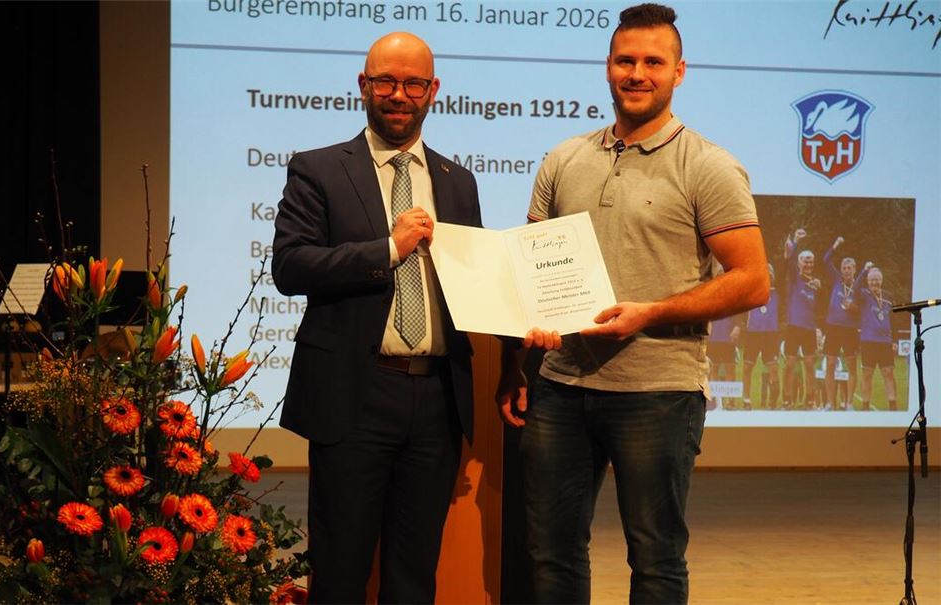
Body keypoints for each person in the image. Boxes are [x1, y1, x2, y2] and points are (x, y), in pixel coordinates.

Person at [494, 4, 770, 603]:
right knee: (551, 555)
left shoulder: (709, 165)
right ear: (608, 67)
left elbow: (753, 282)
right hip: (561, 386)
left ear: (679, 72)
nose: (637, 73)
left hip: (658, 391)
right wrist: (518, 364)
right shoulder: (563, 159)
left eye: (653, 62)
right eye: (626, 61)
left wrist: (651, 312)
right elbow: (532, 271)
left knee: (655, 559)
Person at [272, 32, 482, 603]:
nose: (399, 94)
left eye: (414, 83)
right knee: (340, 570)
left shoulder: (458, 181)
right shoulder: (318, 169)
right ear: (363, 85)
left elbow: (475, 283)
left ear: (433, 90)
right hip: (354, 396)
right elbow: (290, 266)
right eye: (386, 81)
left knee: (415, 575)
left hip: (437, 400)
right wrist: (389, 249)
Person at [822, 236, 864, 410]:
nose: (847, 271)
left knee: (851, 366)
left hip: (850, 330)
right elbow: (825, 260)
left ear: (854, 270)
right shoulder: (836, 280)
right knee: (830, 365)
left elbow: (861, 311)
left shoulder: (859, 288)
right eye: (844, 268)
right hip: (833, 328)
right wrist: (836, 244)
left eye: (849, 268)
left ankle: (849, 403)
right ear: (841, 270)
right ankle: (830, 403)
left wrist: (853, 307)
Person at [782, 229, 821, 409]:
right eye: (805, 260)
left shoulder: (816, 283)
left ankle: (810, 399)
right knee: (790, 364)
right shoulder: (795, 277)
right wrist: (796, 241)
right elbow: (789, 260)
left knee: (810, 364)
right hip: (794, 326)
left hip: (809, 329)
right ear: (799, 263)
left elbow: (819, 308)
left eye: (811, 260)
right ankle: (787, 398)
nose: (808, 263)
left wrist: (819, 328)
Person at [856, 265, 899, 411]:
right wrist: (863, 271)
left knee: (888, 373)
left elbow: (894, 319)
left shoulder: (888, 296)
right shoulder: (863, 294)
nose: (874, 282)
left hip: (885, 342)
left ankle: (892, 405)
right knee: (867, 374)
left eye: (877, 279)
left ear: (881, 280)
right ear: (868, 281)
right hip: (868, 341)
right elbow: (854, 289)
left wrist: (895, 340)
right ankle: (865, 406)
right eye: (872, 280)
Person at [741, 263, 781, 409]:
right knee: (747, 367)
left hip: (770, 334)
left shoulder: (777, 293)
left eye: (770, 273)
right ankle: (746, 400)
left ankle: (772, 401)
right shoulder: (750, 291)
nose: (767, 275)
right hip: (753, 333)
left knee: (773, 369)